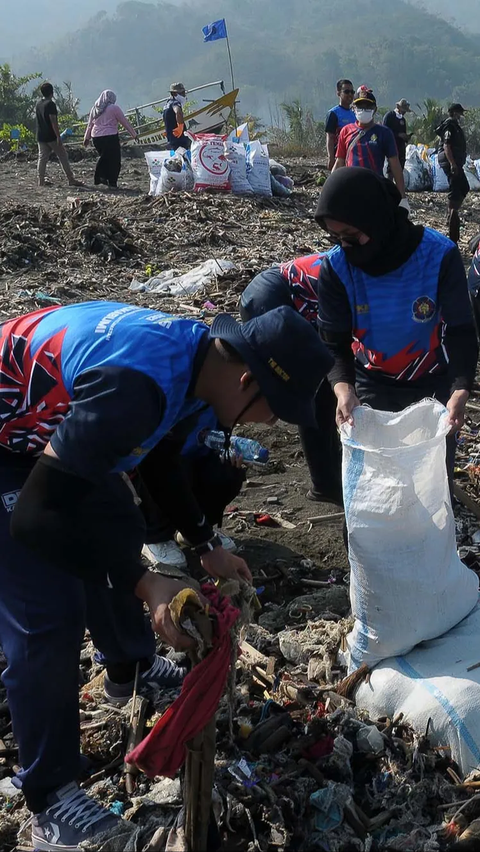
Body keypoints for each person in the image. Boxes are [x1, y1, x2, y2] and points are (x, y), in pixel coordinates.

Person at [0, 300, 332, 851]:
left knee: (118, 523)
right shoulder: (137, 386)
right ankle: (50, 801)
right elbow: (37, 518)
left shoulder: (197, 364)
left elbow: (155, 456)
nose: (268, 425)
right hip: (10, 444)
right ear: (248, 379)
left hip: (60, 431)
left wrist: (205, 545)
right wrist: (144, 581)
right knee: (46, 614)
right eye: (273, 410)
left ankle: (128, 670)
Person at [314, 167, 478, 494]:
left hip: (431, 382)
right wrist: (343, 389)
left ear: (375, 218)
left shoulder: (437, 255)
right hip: (371, 379)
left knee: (430, 482)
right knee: (376, 484)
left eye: (351, 234)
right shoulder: (336, 268)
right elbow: (334, 343)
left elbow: (460, 330)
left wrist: (460, 387)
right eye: (337, 238)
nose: (346, 245)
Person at [240, 254, 343, 505]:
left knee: (327, 392)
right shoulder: (370, 272)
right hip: (274, 298)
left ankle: (333, 469)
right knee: (315, 391)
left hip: (288, 298)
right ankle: (324, 484)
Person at [140, 406, 244, 569]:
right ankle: (156, 537)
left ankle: (195, 531)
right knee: (161, 471)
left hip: (198, 455)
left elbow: (220, 436)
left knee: (227, 472)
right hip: (164, 460)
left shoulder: (218, 399)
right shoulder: (176, 394)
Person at [333, 86, 407, 202]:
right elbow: (340, 161)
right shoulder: (346, 131)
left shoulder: (384, 133)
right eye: (360, 106)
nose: (364, 109)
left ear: (375, 109)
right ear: (353, 108)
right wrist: (330, 188)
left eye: (368, 106)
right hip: (350, 189)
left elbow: (395, 165)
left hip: (375, 190)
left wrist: (402, 197)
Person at [84, 90, 138, 188]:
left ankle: (104, 178)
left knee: (105, 157)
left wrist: (86, 138)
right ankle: (110, 180)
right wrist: (134, 134)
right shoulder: (114, 108)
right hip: (110, 137)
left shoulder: (95, 109)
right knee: (114, 160)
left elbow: (89, 125)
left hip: (96, 138)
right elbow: (124, 122)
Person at [36, 82, 83, 188]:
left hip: (41, 136)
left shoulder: (38, 104)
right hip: (51, 136)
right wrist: (58, 136)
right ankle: (71, 179)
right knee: (63, 156)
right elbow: (53, 121)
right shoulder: (51, 104)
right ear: (52, 93)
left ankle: (41, 181)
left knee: (42, 158)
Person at [436, 104, 470, 244]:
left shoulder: (454, 126)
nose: (460, 115)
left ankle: (452, 212)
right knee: (456, 187)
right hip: (450, 160)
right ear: (454, 113)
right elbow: (447, 145)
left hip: (455, 160)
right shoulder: (450, 125)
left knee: (463, 187)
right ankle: (451, 217)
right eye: (459, 113)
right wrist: (452, 164)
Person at [325, 79, 356, 171]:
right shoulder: (333, 113)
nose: (350, 95)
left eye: (352, 92)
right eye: (346, 92)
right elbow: (330, 137)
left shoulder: (354, 113)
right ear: (338, 93)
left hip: (353, 155)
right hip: (340, 156)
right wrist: (331, 157)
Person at [383, 98, 413, 171]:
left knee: (400, 167)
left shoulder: (403, 120)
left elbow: (404, 133)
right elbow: (384, 131)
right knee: (390, 169)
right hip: (391, 147)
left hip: (401, 148)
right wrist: (398, 135)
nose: (404, 113)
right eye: (403, 110)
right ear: (398, 107)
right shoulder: (389, 116)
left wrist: (406, 137)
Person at [163, 83, 191, 151]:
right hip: (179, 140)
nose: (184, 95)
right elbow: (178, 111)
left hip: (172, 140)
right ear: (174, 94)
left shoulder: (167, 105)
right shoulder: (175, 103)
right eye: (182, 93)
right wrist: (180, 126)